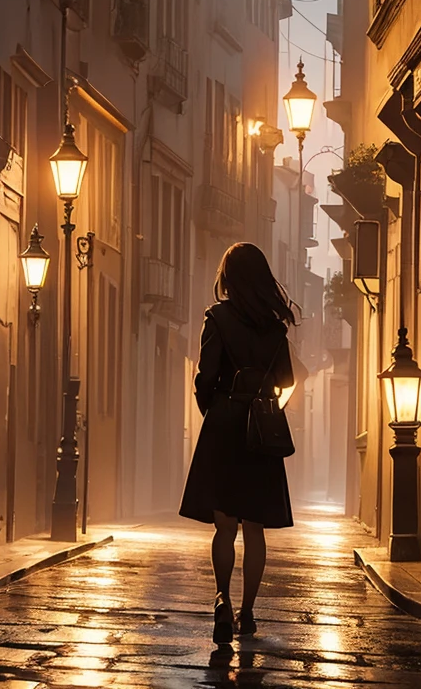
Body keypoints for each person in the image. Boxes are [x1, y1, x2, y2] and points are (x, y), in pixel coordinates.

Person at [179, 242, 299, 645]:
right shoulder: (274, 327)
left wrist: (217, 411)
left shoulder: (217, 318)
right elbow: (286, 380)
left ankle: (221, 600)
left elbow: (204, 379)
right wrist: (262, 402)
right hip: (261, 429)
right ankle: (248, 613)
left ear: (228, 278)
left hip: (225, 425)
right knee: (255, 528)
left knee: (224, 527)